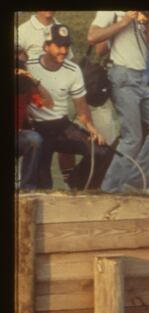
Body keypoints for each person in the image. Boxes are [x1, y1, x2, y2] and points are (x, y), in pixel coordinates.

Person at [88, 11, 149, 195]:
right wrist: (125, 21)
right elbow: (92, 37)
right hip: (122, 75)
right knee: (132, 137)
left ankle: (136, 181)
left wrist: (148, 22)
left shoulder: (147, 12)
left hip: (141, 78)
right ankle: (109, 188)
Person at [25, 24, 112, 191]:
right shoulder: (29, 66)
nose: (63, 51)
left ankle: (77, 185)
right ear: (46, 46)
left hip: (61, 126)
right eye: (58, 46)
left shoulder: (73, 70)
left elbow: (81, 108)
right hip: (37, 128)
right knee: (44, 185)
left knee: (101, 152)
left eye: (66, 46)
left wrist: (92, 129)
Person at [17, 11, 77, 186]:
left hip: (44, 109)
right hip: (33, 116)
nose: (20, 62)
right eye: (18, 60)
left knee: (40, 141)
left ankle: (34, 188)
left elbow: (48, 102)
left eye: (22, 60)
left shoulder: (60, 27)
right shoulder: (23, 30)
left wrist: (33, 80)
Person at [16, 46, 53, 191]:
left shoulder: (25, 85)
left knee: (34, 139)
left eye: (21, 63)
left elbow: (48, 103)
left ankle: (27, 188)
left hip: (17, 135)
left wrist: (33, 80)